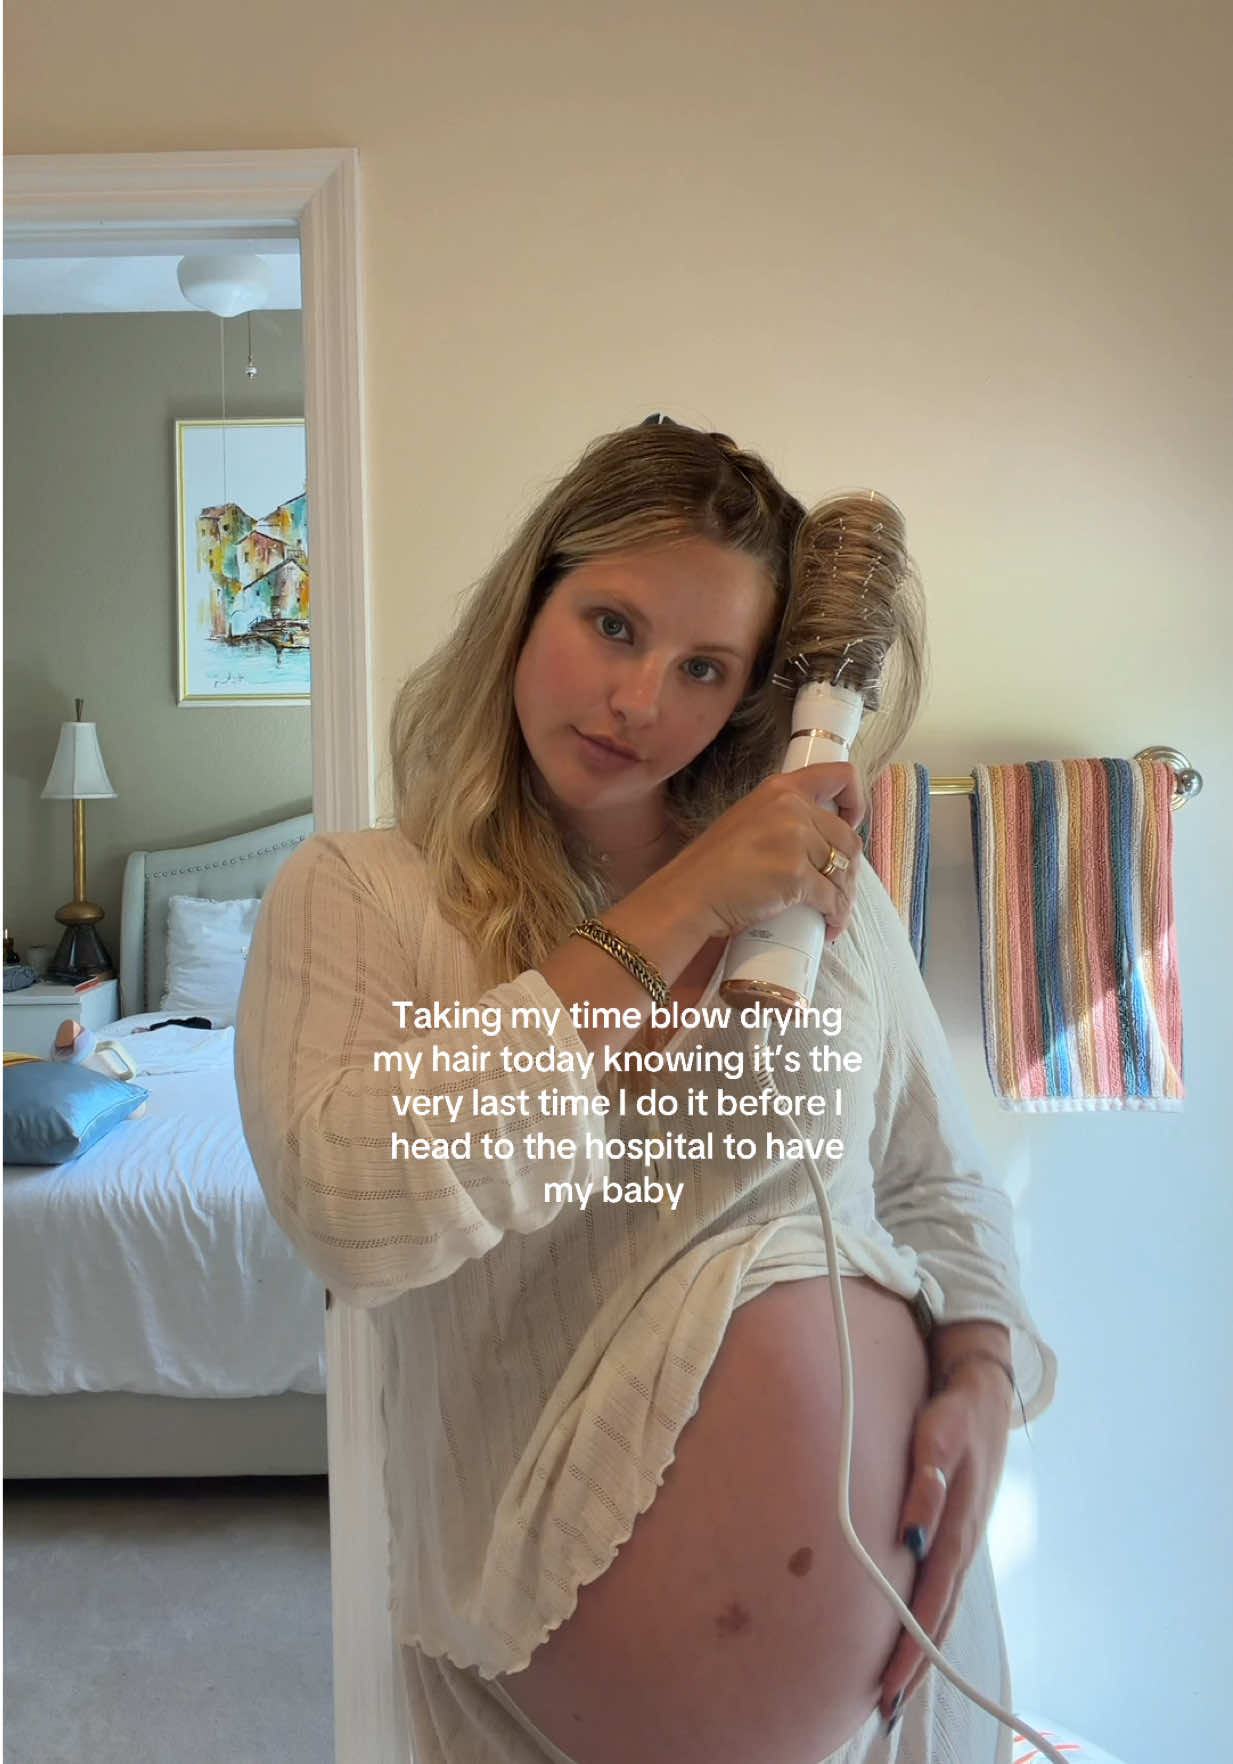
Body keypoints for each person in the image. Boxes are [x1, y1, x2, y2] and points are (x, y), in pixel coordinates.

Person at [234, 417, 1057, 1764]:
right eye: (612, 626)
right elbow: (348, 1209)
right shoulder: (363, 896)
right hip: (536, 1708)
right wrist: (681, 905)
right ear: (530, 601)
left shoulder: (826, 901)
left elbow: (937, 1184)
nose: (637, 702)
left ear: (748, 697)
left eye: (702, 668)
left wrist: (978, 1370)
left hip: (907, 1696)